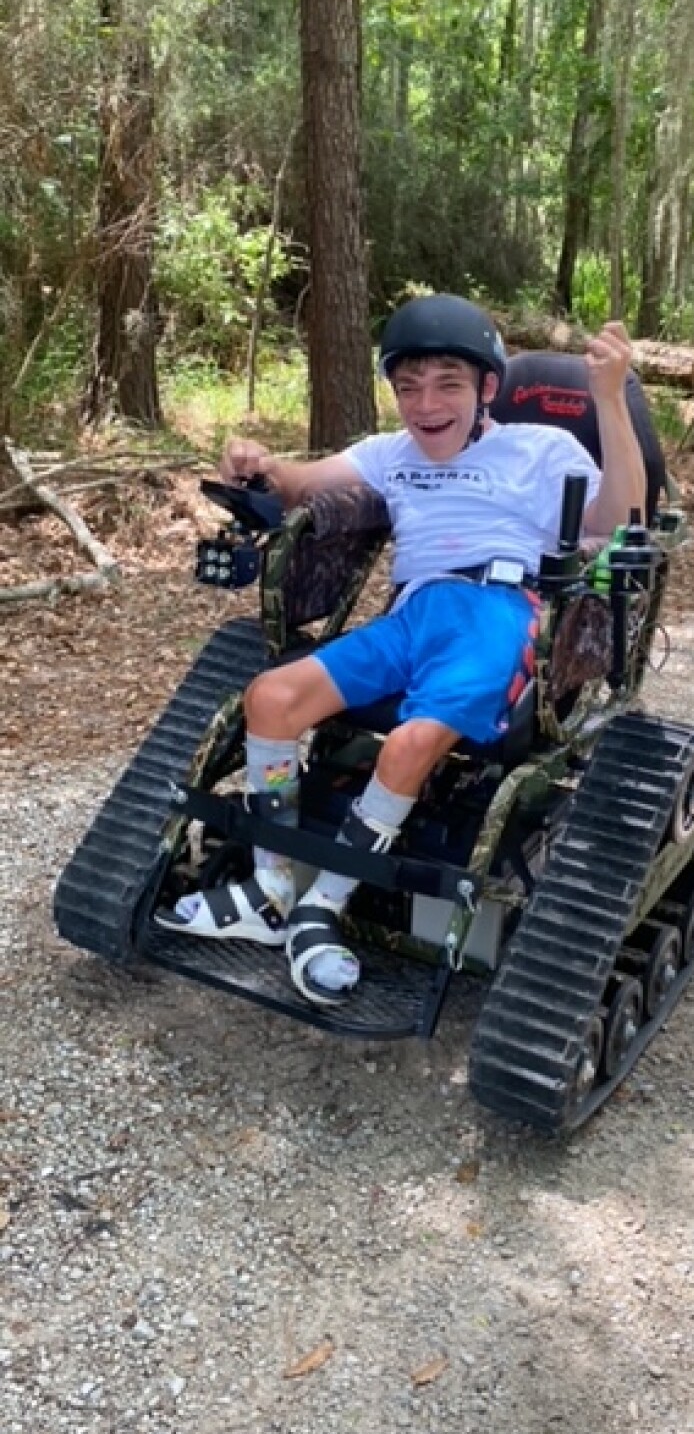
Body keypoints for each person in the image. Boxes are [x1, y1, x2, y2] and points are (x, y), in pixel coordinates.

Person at [156, 294, 647, 1006]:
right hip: (411, 614)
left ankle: (322, 906)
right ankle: (271, 891)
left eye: (448, 383)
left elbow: (622, 520)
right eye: (408, 386)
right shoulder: (391, 455)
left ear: (486, 389)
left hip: (499, 613)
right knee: (270, 698)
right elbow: (299, 482)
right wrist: (258, 463)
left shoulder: (540, 450)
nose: (425, 403)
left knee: (409, 744)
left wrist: (609, 400)